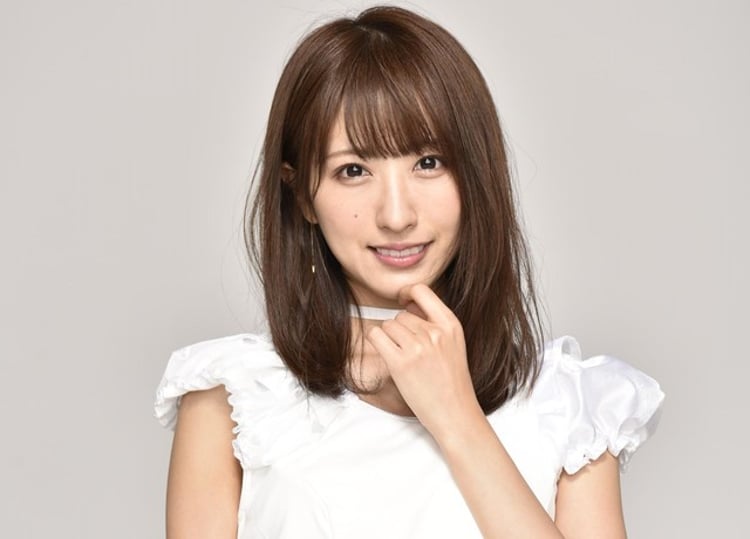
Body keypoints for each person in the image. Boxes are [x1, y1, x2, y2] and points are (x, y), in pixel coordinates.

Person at [155, 6, 664, 538]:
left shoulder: (573, 406)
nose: (396, 216)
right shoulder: (233, 398)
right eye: (353, 170)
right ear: (303, 195)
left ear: (476, 174)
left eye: (428, 163)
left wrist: (457, 417)